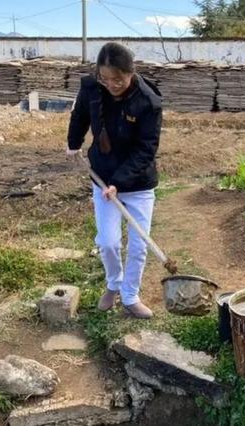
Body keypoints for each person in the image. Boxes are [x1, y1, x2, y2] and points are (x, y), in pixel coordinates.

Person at [66, 42, 162, 319]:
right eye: (105, 78)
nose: (112, 85)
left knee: (138, 244)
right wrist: (73, 143)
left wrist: (119, 181)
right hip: (102, 175)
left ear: (130, 73)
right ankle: (113, 284)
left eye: (118, 79)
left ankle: (130, 296)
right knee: (107, 242)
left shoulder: (148, 101)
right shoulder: (92, 88)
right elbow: (80, 115)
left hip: (138, 185)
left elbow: (146, 149)